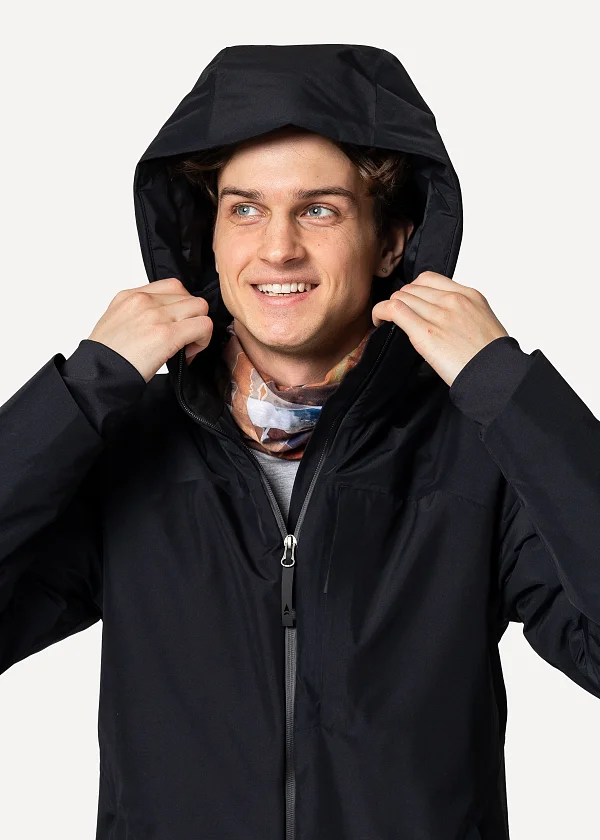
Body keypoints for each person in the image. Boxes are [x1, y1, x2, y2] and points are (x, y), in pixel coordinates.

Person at [0, 43, 598, 840]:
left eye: (320, 210)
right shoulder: (128, 446)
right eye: (245, 210)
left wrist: (507, 390)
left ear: (392, 243)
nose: (277, 248)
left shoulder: (475, 449)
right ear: (207, 237)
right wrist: (82, 392)